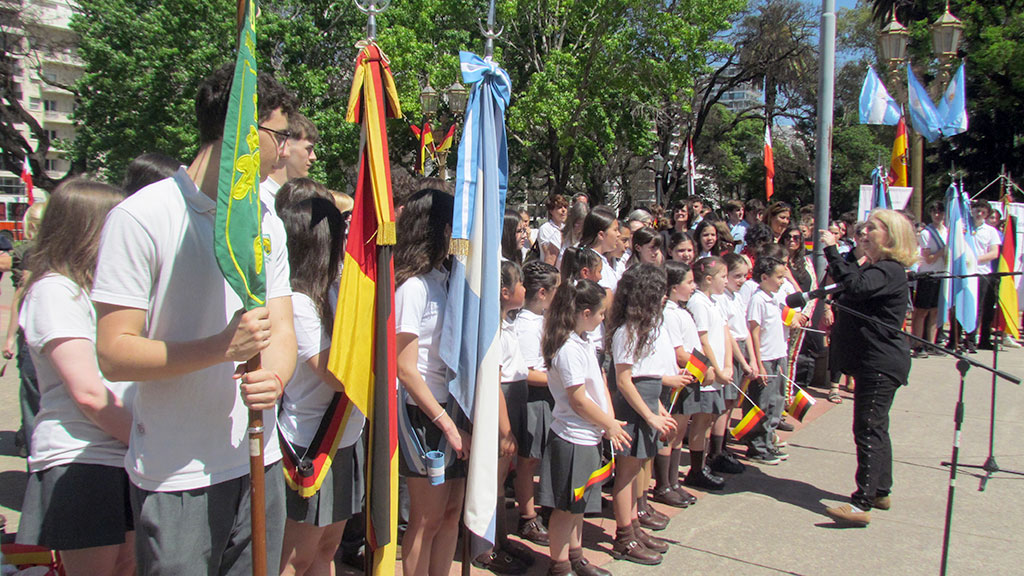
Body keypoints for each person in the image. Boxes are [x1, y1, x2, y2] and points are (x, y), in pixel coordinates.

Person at [92, 64, 298, 575]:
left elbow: (282, 327)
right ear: (246, 133)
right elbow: (114, 353)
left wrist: (275, 377)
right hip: (176, 475)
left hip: (257, 458)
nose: (284, 150)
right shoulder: (142, 218)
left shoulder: (264, 222)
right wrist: (219, 347)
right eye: (279, 135)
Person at [15, 179, 133, 576]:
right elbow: (87, 391)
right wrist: (149, 438)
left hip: (121, 455)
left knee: (126, 567)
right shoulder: (54, 292)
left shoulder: (96, 291)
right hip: (82, 457)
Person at [275, 181, 364, 576]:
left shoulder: (336, 287)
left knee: (327, 548)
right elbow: (334, 373)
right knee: (297, 557)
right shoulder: (297, 301)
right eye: (340, 231)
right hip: (312, 441)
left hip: (346, 438)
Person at [820, 209, 918, 527]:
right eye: (862, 229)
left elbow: (857, 287)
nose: (863, 233)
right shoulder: (876, 267)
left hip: (880, 361)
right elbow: (852, 281)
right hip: (871, 359)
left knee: (868, 428)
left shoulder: (889, 269)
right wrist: (846, 254)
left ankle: (862, 503)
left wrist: (832, 250)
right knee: (876, 426)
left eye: (871, 229)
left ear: (891, 236)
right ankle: (880, 490)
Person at [394, 186, 469, 576]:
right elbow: (405, 368)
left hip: (453, 405)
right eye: (452, 225)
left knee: (451, 511)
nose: (457, 234)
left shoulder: (447, 277)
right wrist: (444, 422)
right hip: (425, 415)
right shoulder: (413, 287)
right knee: (426, 517)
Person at [538, 279, 627, 576]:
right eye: (601, 313)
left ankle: (576, 556)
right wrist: (609, 424)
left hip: (587, 434)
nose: (603, 318)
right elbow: (578, 400)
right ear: (585, 313)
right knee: (565, 508)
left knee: (577, 506)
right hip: (572, 437)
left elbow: (596, 388)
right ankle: (559, 564)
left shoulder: (582, 342)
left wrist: (607, 419)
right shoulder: (568, 349)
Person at [607, 264, 679, 565]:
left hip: (648, 405)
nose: (663, 298)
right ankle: (624, 536)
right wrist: (650, 416)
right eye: (658, 293)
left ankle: (635, 525)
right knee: (625, 474)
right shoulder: (626, 332)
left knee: (637, 470)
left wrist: (659, 410)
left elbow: (651, 377)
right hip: (633, 411)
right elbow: (624, 380)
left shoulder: (648, 329)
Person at [476, 260, 531, 574]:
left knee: (499, 478)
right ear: (505, 291)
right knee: (492, 480)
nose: (525, 289)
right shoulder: (492, 328)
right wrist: (505, 429)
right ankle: (486, 546)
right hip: (502, 406)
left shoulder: (507, 321)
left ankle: (500, 538)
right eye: (520, 283)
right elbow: (493, 382)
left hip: (512, 399)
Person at [512, 262, 560, 546]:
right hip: (533, 399)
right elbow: (527, 372)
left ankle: (542, 507)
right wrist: (558, 379)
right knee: (528, 460)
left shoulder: (542, 320)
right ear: (542, 293)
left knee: (537, 458)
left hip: (547, 396)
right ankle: (527, 516)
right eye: (556, 289)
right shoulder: (526, 326)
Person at [683, 257, 733, 489]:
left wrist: (728, 365)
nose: (726, 281)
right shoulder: (699, 303)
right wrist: (714, 367)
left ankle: (703, 463)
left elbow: (723, 334)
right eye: (723, 276)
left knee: (711, 417)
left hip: (719, 372)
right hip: (708, 373)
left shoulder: (713, 302)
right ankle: (696, 468)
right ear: (709, 279)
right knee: (701, 420)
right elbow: (703, 340)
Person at [6, 200, 47, 458]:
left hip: (32, 333)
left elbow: (20, 297)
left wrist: (9, 337)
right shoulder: (65, 248)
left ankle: (34, 455)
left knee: (33, 398)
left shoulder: (31, 251)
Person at [709, 253, 753, 475]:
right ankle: (715, 452)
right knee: (723, 406)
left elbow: (744, 331)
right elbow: (730, 336)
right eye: (736, 276)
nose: (740, 280)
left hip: (740, 352)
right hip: (731, 355)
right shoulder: (721, 299)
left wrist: (751, 359)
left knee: (730, 404)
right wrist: (743, 362)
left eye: (744, 276)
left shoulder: (737, 297)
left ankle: (722, 447)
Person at [745, 253, 790, 465]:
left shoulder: (774, 298)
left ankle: (768, 440)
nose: (782, 282)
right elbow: (754, 331)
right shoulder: (758, 299)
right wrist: (759, 362)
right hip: (766, 357)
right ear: (764, 277)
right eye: (779, 277)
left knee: (776, 401)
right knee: (761, 402)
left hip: (778, 355)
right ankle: (757, 445)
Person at [262, 112, 319, 217]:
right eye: (308, 149)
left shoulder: (293, 199)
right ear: (285, 144)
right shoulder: (259, 196)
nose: (313, 157)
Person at [910, 202, 947, 358]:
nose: (937, 215)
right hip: (928, 275)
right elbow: (928, 258)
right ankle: (918, 344)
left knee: (935, 311)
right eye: (934, 212)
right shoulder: (926, 233)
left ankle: (930, 342)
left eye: (940, 212)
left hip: (942, 274)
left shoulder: (948, 232)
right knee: (922, 311)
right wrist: (942, 251)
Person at [968, 200, 1001, 351]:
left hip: (983, 273)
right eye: (977, 210)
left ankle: (979, 339)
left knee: (982, 308)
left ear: (987, 214)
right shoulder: (964, 227)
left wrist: (975, 260)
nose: (979, 213)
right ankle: (966, 338)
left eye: (983, 211)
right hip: (966, 273)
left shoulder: (990, 231)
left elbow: (994, 253)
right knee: (968, 307)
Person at [538, 194, 569, 266]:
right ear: (551, 211)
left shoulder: (566, 228)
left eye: (565, 207)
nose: (563, 210)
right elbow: (548, 254)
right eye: (559, 207)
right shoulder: (545, 228)